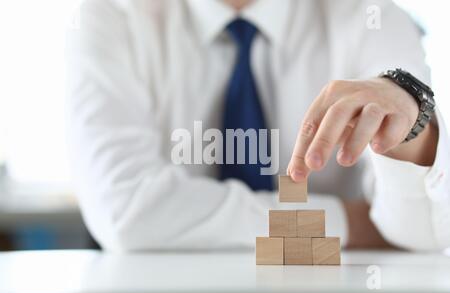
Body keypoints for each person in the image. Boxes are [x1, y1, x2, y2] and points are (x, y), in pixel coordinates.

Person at [65, 0, 450, 252]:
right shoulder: (112, 14)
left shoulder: (372, 15)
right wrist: (348, 224)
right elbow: (128, 212)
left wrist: (409, 132)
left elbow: (420, 232)